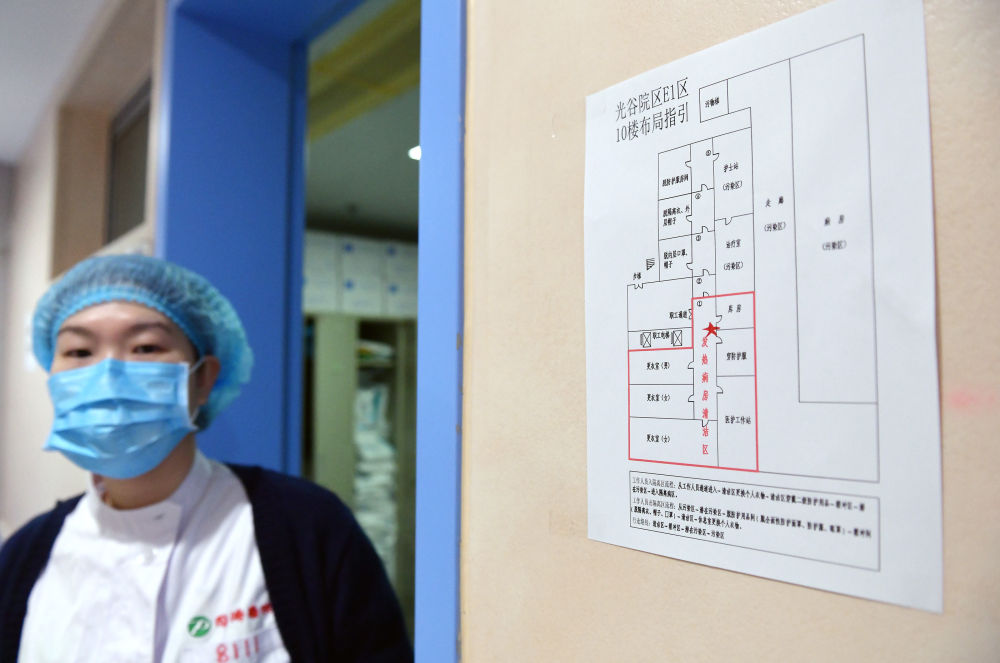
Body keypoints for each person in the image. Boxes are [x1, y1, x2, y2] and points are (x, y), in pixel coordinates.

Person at [0, 254, 412, 662]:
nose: (107, 374)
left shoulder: (306, 529)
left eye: (145, 347)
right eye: (78, 351)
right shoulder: (22, 559)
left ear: (203, 379)